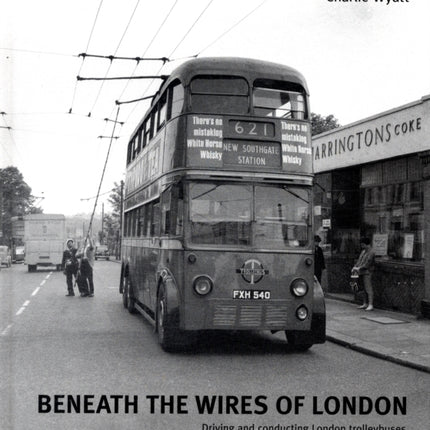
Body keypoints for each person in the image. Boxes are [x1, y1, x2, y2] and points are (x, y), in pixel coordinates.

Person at [352, 237, 375, 311]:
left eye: (362, 244)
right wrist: (355, 267)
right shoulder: (363, 252)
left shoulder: (371, 252)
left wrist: (359, 268)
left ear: (366, 244)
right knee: (363, 289)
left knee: (368, 288)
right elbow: (359, 261)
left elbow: (368, 263)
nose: (362, 246)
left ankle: (371, 304)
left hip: (367, 272)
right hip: (361, 272)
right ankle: (365, 303)